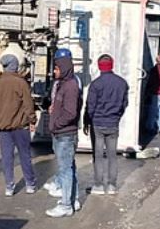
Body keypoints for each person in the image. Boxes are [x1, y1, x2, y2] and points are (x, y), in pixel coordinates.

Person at [0, 54, 38, 197]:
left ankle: (9, 186)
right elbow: (28, 104)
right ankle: (30, 184)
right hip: (20, 126)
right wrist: (32, 120)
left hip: (3, 127)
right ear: (15, 66)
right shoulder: (21, 83)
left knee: (7, 157)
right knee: (25, 155)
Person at [84, 54, 129, 195]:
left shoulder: (95, 84)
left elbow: (90, 106)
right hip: (113, 123)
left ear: (99, 66)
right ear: (112, 65)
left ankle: (98, 185)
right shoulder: (122, 83)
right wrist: (117, 116)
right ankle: (112, 186)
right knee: (112, 155)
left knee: (98, 155)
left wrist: (87, 121)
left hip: (97, 124)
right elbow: (124, 104)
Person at [45, 56, 83, 218]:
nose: (54, 71)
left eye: (57, 68)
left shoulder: (71, 87)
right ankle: (72, 199)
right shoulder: (63, 85)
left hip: (65, 135)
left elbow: (70, 113)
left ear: (64, 69)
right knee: (69, 168)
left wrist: (56, 124)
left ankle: (66, 205)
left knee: (65, 170)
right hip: (62, 134)